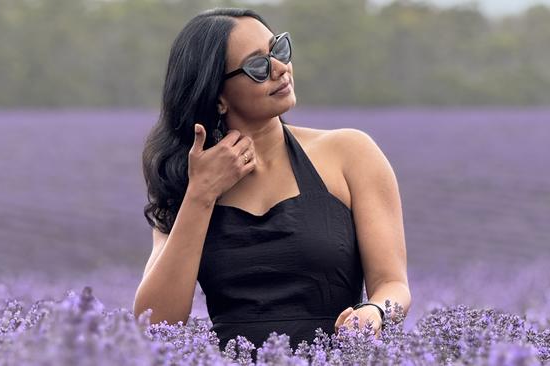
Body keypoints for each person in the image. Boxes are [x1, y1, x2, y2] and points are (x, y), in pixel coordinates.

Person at [133, 7, 411, 360]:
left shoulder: (351, 154)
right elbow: (155, 322)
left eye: (278, 50)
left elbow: (393, 285)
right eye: (258, 66)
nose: (280, 68)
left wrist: (376, 313)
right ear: (218, 96)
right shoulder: (184, 183)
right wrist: (201, 195)